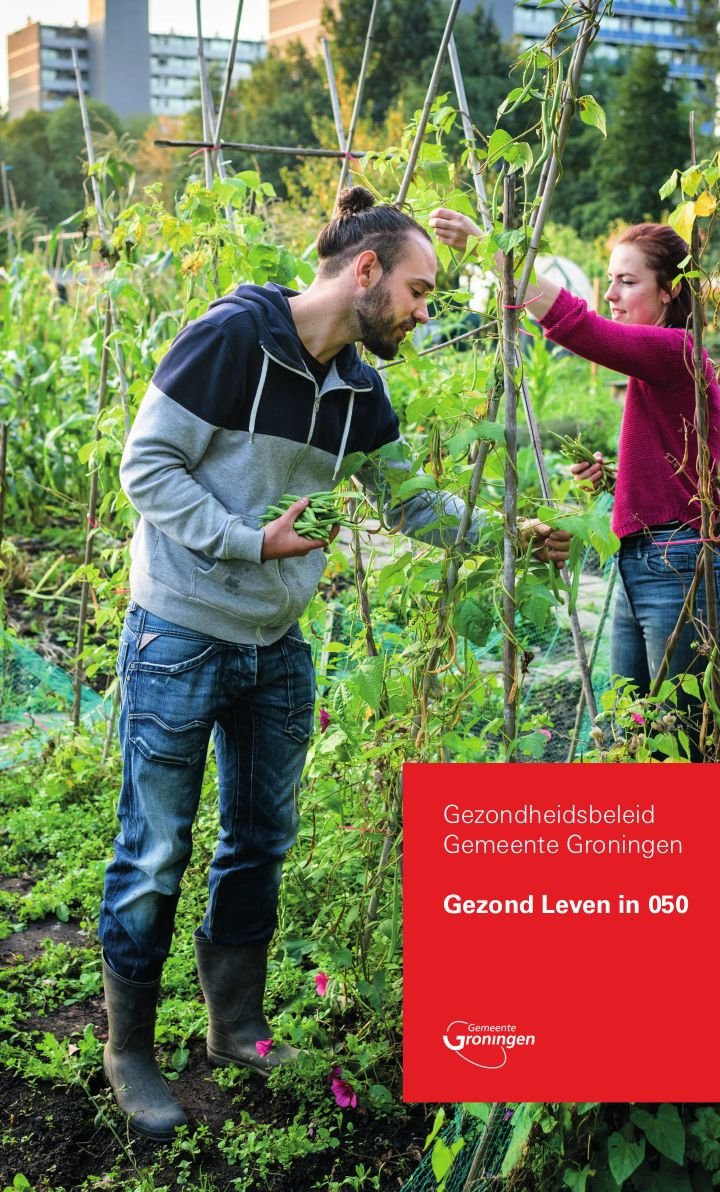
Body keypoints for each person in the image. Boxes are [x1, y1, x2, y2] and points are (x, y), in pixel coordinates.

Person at [99, 187, 569, 1141]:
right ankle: (130, 1048)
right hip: (180, 630)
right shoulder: (231, 338)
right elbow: (145, 465)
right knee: (156, 852)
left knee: (261, 840)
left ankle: (235, 1024)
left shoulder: (359, 388)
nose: (424, 310)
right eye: (419, 290)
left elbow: (414, 508)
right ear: (366, 271)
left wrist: (505, 537)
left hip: (276, 646)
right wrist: (246, 541)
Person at [430, 209, 720, 751]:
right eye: (609, 281)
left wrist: (493, 252)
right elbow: (676, 473)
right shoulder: (658, 371)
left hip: (678, 571)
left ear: (669, 293)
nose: (612, 294)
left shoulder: (678, 351)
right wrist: (613, 484)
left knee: (679, 754)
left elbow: (580, 327)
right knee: (629, 742)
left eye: (628, 281)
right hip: (643, 564)